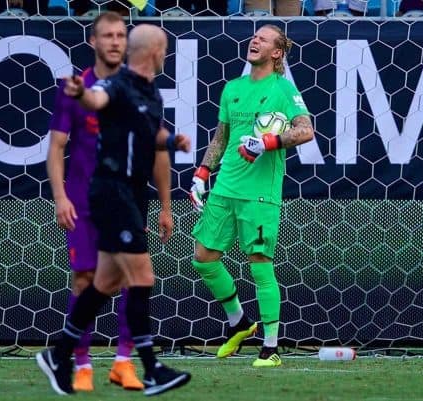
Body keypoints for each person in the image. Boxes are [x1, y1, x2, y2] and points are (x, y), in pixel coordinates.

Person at [36, 23, 191, 396]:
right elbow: (97, 99)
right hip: (112, 191)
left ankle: (59, 354)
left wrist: (171, 140)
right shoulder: (115, 84)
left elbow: (146, 132)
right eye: (164, 48)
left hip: (133, 194)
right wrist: (81, 95)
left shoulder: (150, 92)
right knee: (142, 278)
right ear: (155, 52)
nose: (166, 54)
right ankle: (151, 367)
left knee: (105, 283)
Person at [189, 24, 314, 367]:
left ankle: (271, 349)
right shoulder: (233, 88)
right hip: (225, 187)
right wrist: (202, 173)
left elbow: (305, 130)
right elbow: (221, 136)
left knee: (259, 265)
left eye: (263, 38)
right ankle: (239, 323)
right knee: (203, 257)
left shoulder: (284, 90)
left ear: (277, 53)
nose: (254, 40)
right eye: (254, 36)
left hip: (260, 193)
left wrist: (268, 142)